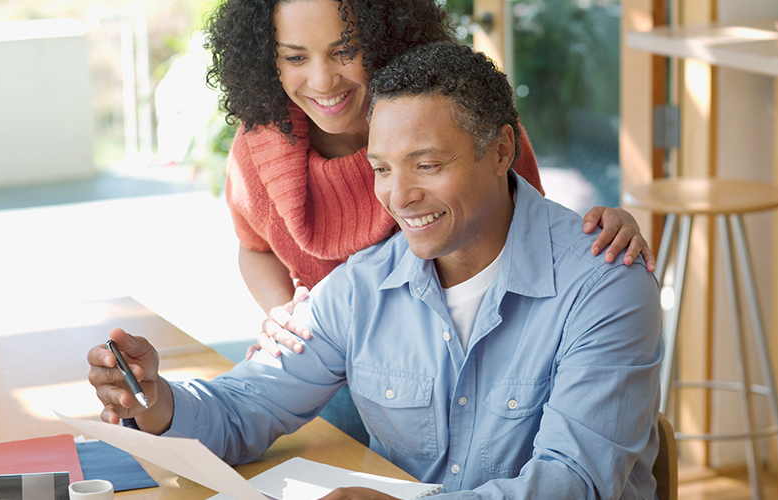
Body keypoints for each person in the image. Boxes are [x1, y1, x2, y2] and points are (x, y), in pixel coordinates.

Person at [89, 43, 662, 499]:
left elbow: (577, 483)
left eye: (429, 165)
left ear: (502, 150)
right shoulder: (364, 286)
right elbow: (245, 406)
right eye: (382, 168)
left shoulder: (607, 283)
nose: (400, 195)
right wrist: (156, 400)